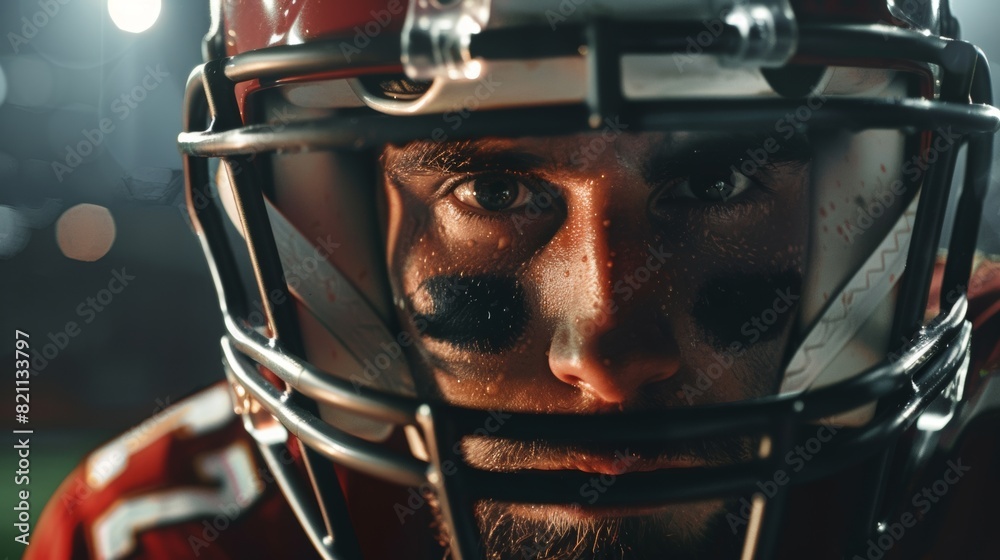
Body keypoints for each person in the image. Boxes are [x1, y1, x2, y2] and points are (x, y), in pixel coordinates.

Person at [26, 0, 1000, 558]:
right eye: (493, 191)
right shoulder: (174, 536)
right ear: (322, 228)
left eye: (716, 184)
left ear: (879, 204)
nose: (606, 354)